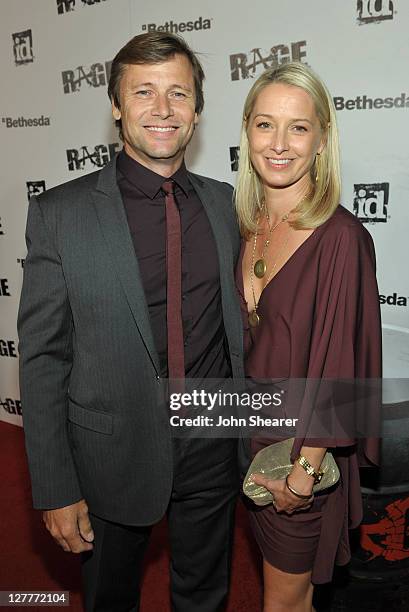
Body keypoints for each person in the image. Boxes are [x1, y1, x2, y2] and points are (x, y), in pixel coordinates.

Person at [18, 32, 245, 612]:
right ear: (116, 106)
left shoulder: (224, 203)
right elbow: (44, 357)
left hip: (212, 440)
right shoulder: (59, 214)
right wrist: (56, 486)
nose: (163, 109)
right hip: (110, 451)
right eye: (143, 92)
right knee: (109, 598)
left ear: (197, 108)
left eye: (178, 93)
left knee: (206, 593)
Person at [234, 62, 382, 612]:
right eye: (265, 124)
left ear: (322, 139)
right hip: (251, 440)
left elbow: (342, 372)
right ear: (246, 131)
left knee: (284, 603)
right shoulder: (248, 224)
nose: (279, 143)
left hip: (299, 456)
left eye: (298, 127)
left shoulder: (342, 239)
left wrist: (303, 475)